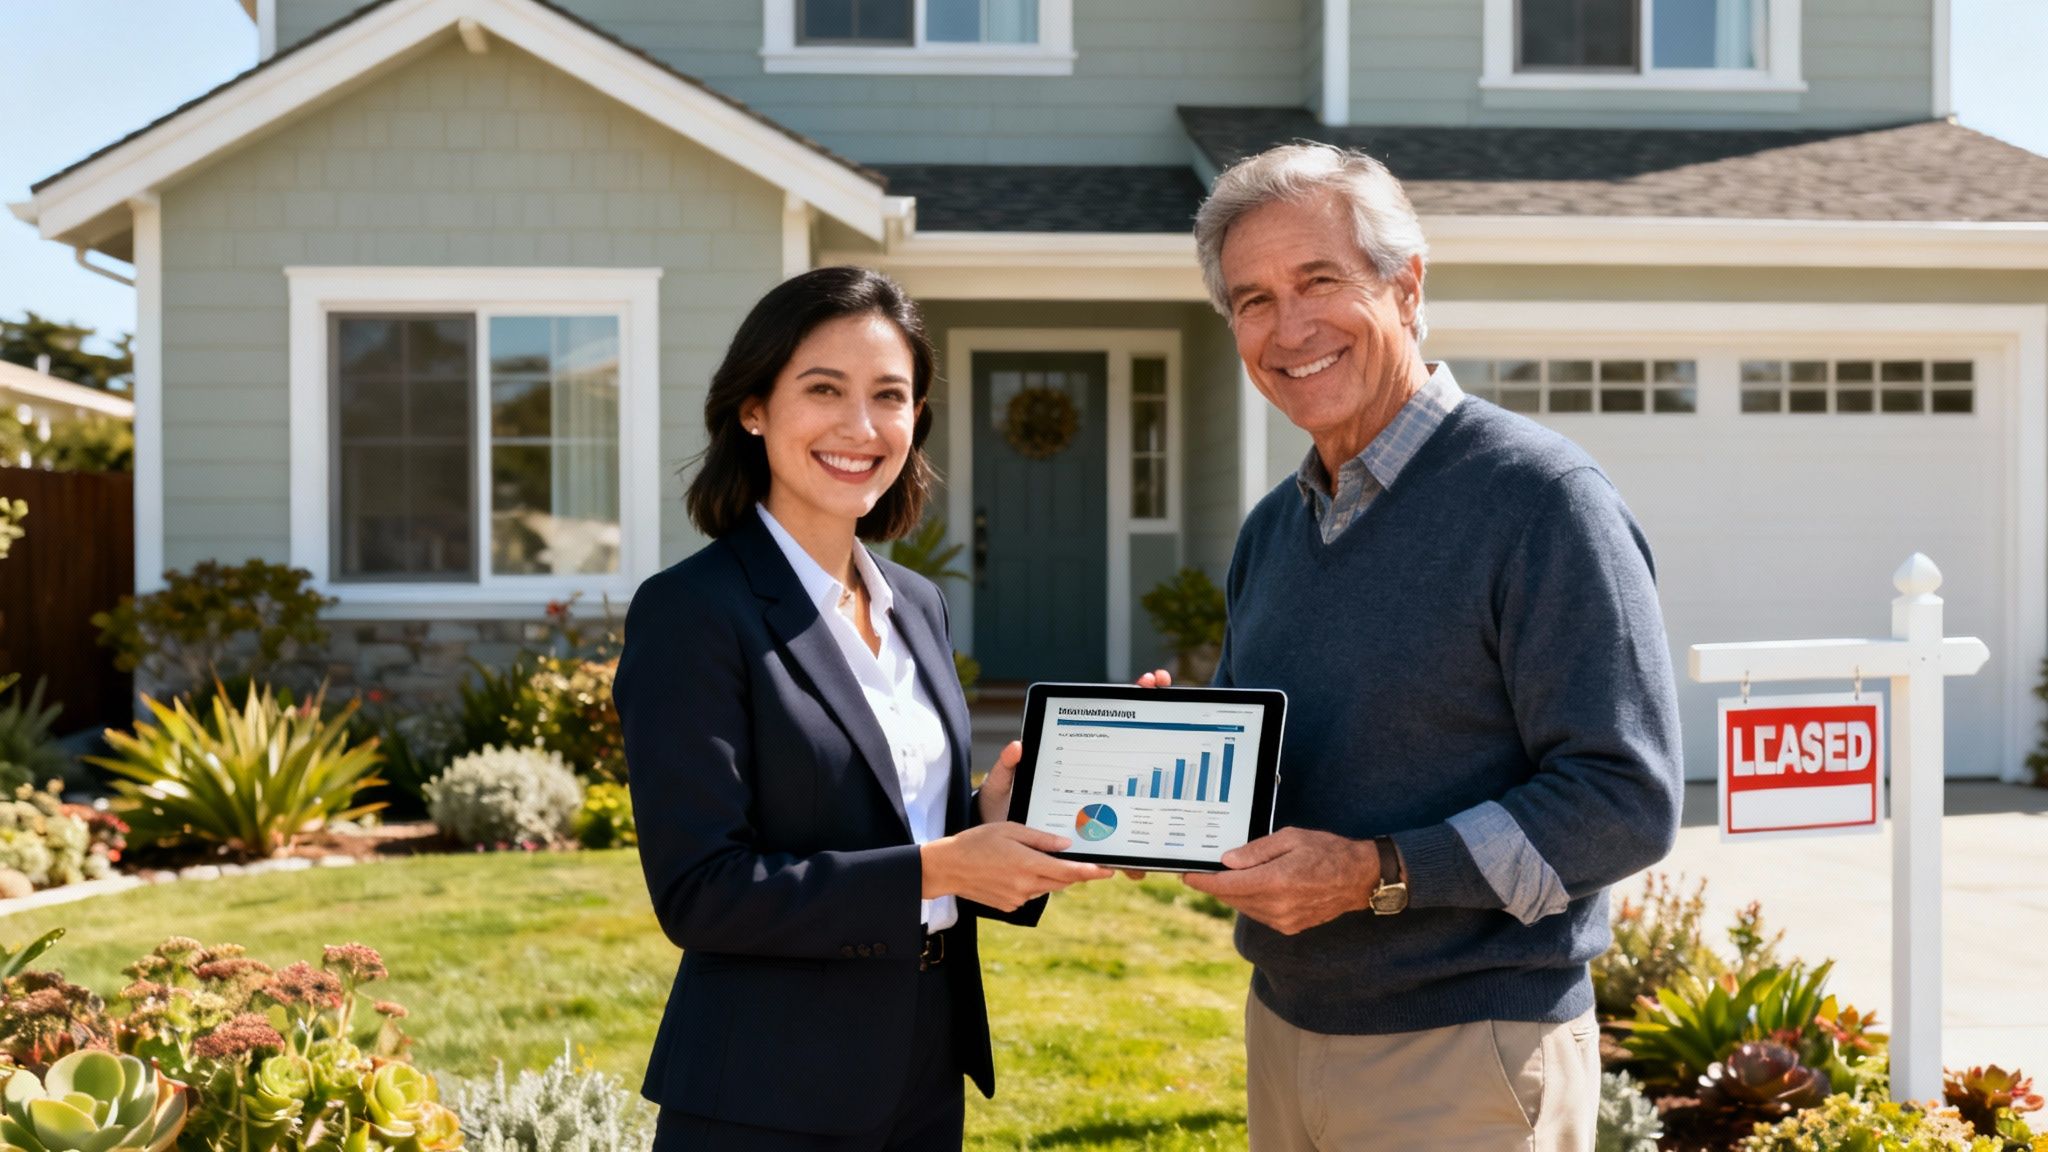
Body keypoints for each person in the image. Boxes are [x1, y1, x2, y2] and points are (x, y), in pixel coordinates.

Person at [1175, 143, 1685, 1150]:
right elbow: (1275, 771)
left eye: (1319, 282)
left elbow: (1621, 801)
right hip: (1284, 1030)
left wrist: (1376, 871)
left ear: (1405, 287)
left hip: (1466, 1058)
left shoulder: (1539, 502)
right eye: (1252, 300)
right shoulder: (1272, 530)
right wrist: (1166, 764)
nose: (1288, 329)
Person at [613, 266, 1113, 1151]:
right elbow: (702, 893)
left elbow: (892, 819)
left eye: (890, 395)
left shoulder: (914, 604)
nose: (861, 426)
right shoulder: (693, 611)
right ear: (754, 408)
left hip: (923, 1064)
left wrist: (990, 820)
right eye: (824, 390)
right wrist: (943, 867)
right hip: (765, 1092)